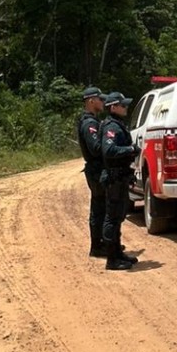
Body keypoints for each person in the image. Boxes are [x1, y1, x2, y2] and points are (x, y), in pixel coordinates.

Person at [100, 93, 139, 271]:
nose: (125, 107)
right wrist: (130, 149)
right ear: (113, 107)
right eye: (122, 105)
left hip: (120, 177)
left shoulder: (117, 125)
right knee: (112, 218)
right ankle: (111, 259)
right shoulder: (111, 127)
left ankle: (117, 253)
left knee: (118, 217)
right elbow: (109, 150)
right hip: (114, 178)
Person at [77, 86, 107, 257]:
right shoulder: (89, 123)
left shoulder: (92, 121)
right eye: (100, 99)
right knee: (99, 208)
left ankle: (101, 243)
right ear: (91, 101)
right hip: (96, 170)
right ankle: (97, 246)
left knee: (100, 207)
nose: (102, 102)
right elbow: (95, 148)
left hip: (96, 169)